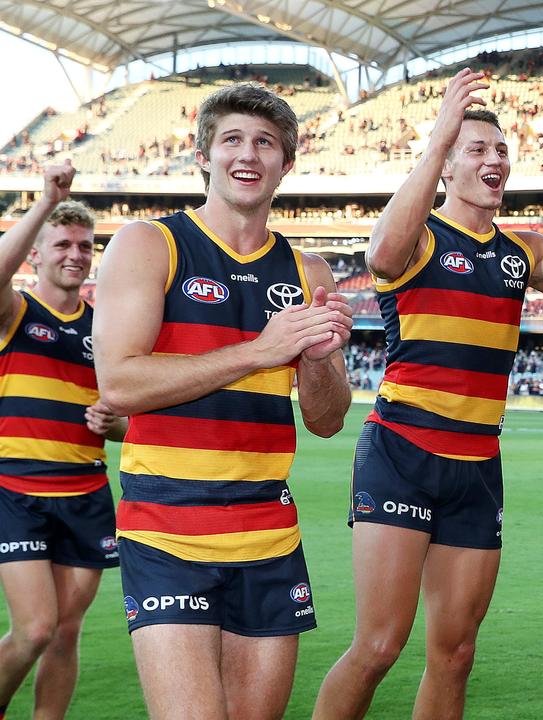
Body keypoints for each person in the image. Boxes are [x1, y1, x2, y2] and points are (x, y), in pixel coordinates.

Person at [313, 68, 543, 720]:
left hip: (476, 467)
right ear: (445, 164)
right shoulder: (420, 237)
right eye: (477, 149)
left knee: (456, 652)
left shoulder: (523, 250)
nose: (495, 159)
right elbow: (382, 254)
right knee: (380, 644)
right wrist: (439, 137)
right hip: (401, 452)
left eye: (501, 150)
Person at [93, 83, 353, 720]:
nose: (249, 153)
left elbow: (325, 420)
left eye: (265, 143)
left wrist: (316, 362)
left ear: (286, 164)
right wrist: (256, 353)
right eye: (232, 138)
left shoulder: (307, 271)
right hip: (167, 529)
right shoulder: (148, 244)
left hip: (268, 532)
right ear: (203, 153)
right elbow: (119, 384)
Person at [0, 163, 126, 720]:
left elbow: (128, 422)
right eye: (61, 243)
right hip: (17, 491)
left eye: (84, 244)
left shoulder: (104, 332)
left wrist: (113, 424)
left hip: (86, 494)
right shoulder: (16, 312)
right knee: (33, 627)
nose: (74, 253)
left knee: (66, 632)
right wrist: (42, 204)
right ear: (36, 253)